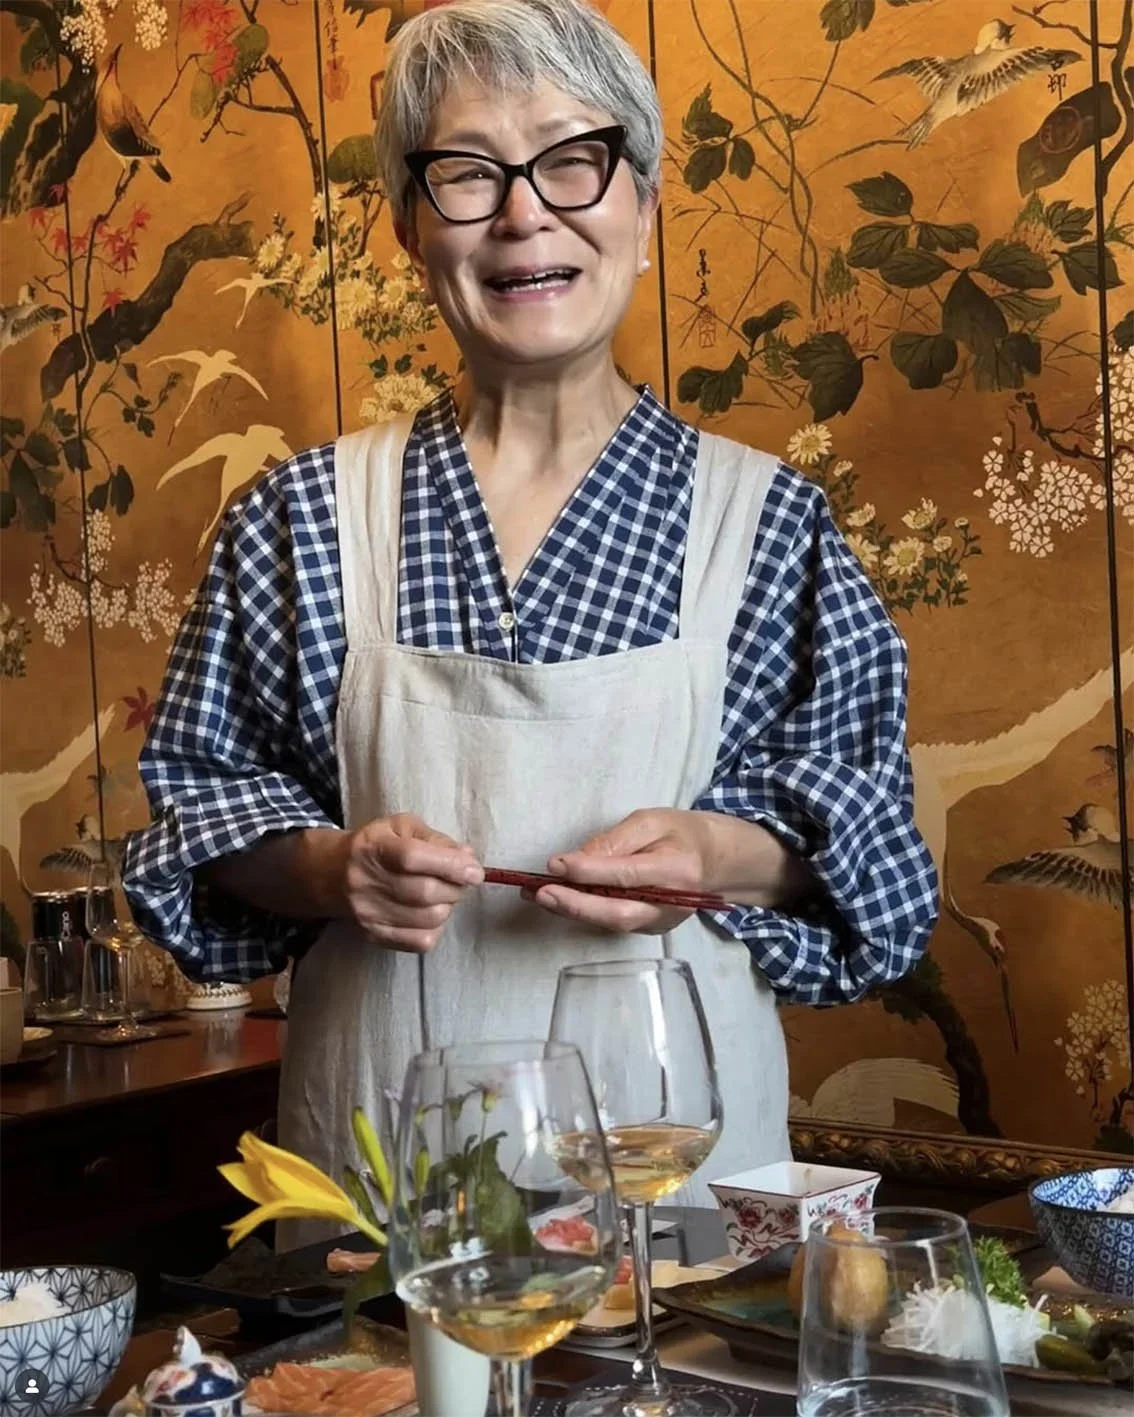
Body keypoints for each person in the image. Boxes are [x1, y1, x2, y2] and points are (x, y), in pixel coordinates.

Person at [123, 0, 938, 1239]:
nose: (524, 214)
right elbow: (199, 822)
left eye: (573, 160)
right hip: (380, 1190)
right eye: (467, 173)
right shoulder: (296, 520)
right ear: (409, 225)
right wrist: (332, 868)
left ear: (646, 204)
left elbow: (868, 853)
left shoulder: (768, 524)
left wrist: (713, 858)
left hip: (684, 1174)